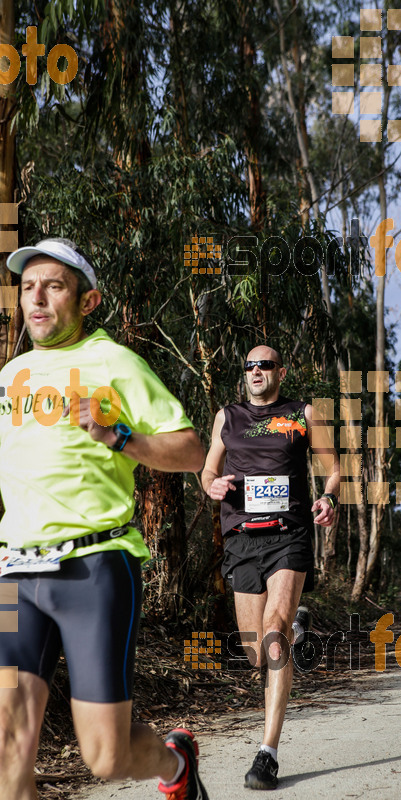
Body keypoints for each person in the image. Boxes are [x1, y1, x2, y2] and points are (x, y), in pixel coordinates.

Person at [0, 238, 209, 800]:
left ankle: (175, 765)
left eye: (54, 286)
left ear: (87, 301)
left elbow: (191, 451)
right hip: (13, 578)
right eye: (28, 288)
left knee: (105, 757)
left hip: (93, 567)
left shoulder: (114, 361)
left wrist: (118, 434)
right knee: (5, 744)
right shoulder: (10, 375)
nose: (37, 298)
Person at [201, 345, 340, 790]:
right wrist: (213, 485)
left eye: (265, 364)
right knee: (256, 652)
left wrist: (329, 498)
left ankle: (268, 754)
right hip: (242, 540)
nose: (256, 371)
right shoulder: (228, 416)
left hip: (289, 534)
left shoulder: (303, 413)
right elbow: (206, 471)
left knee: (274, 634)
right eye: (250, 365)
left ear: (281, 371)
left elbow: (334, 468)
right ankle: (297, 632)